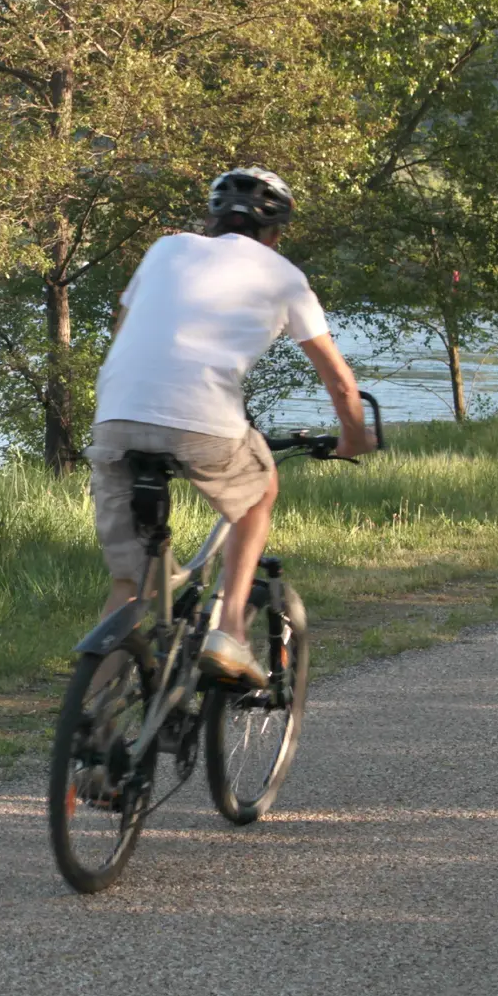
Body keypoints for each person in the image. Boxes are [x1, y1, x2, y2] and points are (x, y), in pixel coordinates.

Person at [86, 167, 374, 687]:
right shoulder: (285, 276)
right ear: (276, 233)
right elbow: (338, 379)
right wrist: (355, 437)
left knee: (130, 584)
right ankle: (230, 627)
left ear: (211, 219)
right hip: (203, 423)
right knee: (260, 490)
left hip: (115, 418)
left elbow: (124, 328)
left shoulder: (167, 248)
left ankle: (88, 743)